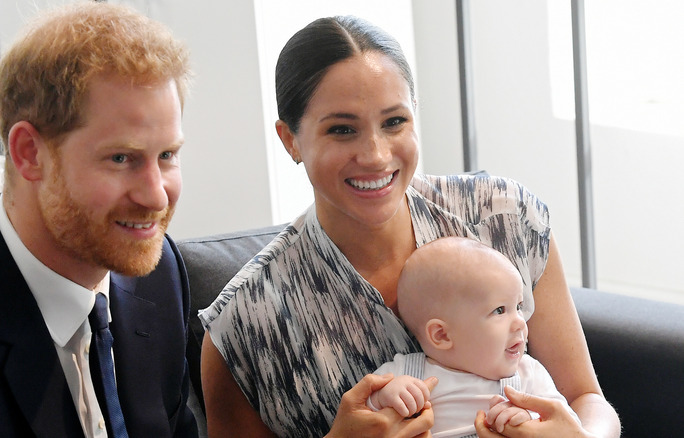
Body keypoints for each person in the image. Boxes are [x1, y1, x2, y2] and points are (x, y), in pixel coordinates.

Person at [199, 15, 620, 438]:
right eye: (342, 130)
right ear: (290, 139)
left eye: (394, 122)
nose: (376, 156)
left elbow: (586, 397)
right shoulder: (244, 325)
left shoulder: (504, 218)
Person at [0, 3, 197, 437]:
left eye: (167, 155)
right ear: (29, 153)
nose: (155, 196)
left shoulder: (159, 274)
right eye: (121, 158)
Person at [367, 237, 580, 437]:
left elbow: (567, 425)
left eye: (519, 307)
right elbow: (361, 419)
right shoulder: (404, 375)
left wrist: (530, 418)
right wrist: (382, 398)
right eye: (499, 310)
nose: (520, 322)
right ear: (441, 335)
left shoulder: (529, 374)